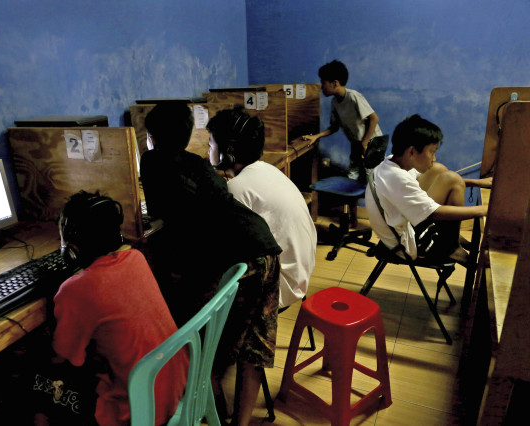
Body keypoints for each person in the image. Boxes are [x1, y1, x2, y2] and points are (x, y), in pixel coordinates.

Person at [140, 102, 282, 426]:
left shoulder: (151, 161)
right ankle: (236, 421)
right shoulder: (200, 165)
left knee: (196, 333)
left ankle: (213, 410)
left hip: (242, 258)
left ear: (150, 138)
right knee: (254, 343)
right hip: (265, 248)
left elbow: (166, 219)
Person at [52, 191, 188, 426]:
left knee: (38, 384)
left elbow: (64, 358)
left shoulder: (75, 290)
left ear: (72, 249)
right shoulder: (136, 258)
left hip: (135, 412)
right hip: (174, 390)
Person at [207, 106, 317, 309]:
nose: (208, 151)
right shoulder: (267, 169)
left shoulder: (237, 189)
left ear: (228, 152)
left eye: (210, 145)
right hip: (299, 272)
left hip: (280, 286)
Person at [365, 114, 492, 265]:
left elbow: (433, 179)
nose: (434, 158)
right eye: (432, 152)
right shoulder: (397, 178)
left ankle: (451, 236)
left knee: (439, 170)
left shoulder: (393, 162)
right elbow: (435, 213)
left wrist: (477, 182)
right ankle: (451, 247)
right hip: (405, 244)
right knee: (451, 179)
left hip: (401, 224)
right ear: (412, 152)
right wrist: (486, 210)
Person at [302, 59, 385, 182]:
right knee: (353, 176)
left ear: (335, 83)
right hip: (357, 143)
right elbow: (334, 127)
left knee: (373, 178)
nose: (321, 87)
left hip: (372, 142)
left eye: (323, 83)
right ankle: (351, 201)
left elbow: (374, 118)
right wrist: (316, 136)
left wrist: (365, 143)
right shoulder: (335, 102)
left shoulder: (353, 96)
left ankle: (376, 201)